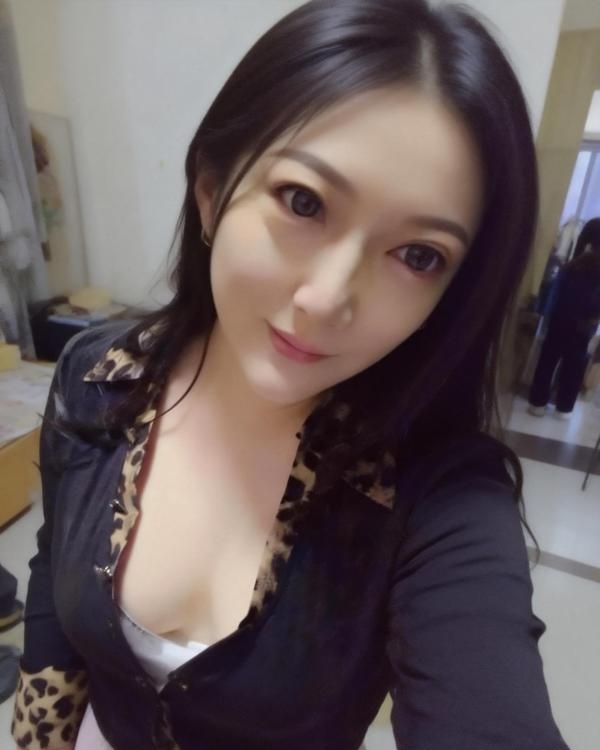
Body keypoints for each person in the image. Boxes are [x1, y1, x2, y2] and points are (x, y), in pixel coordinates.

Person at [12, 1, 570, 748]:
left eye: (418, 256)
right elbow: (54, 578)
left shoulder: (437, 491)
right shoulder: (98, 376)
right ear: (212, 192)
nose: (326, 299)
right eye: (303, 202)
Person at [528, 217, 600, 419]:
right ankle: (564, 408)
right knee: (574, 367)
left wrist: (545, 319)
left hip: (559, 322)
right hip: (585, 327)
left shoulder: (571, 266)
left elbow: (554, 296)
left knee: (547, 361)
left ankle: (537, 404)